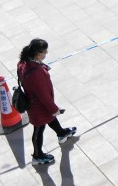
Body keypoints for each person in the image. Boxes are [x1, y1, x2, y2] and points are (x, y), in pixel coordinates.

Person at [17, 38, 77, 166]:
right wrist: (54, 109)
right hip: (38, 106)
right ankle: (37, 156)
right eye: (45, 52)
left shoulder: (23, 62)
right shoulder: (36, 73)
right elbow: (43, 95)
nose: (46, 54)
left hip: (35, 102)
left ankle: (61, 133)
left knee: (50, 119)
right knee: (39, 129)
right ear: (39, 54)